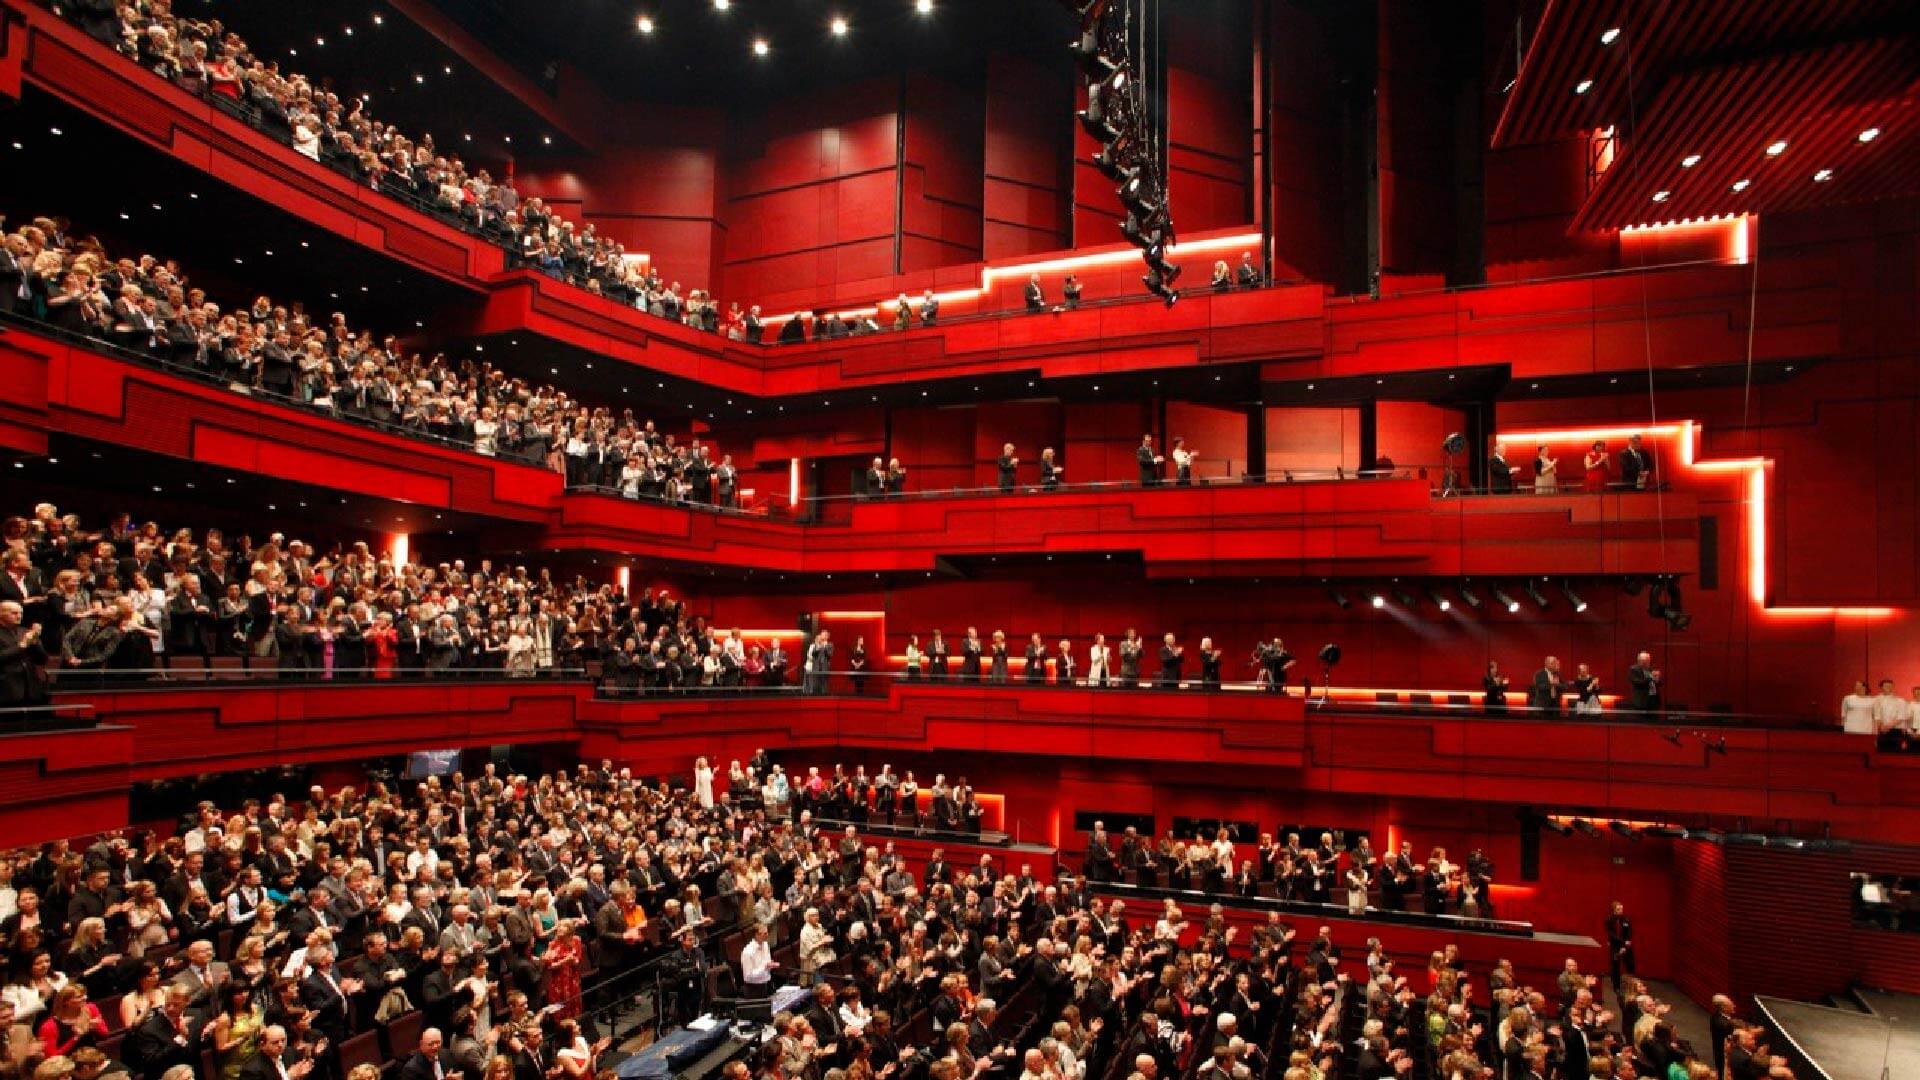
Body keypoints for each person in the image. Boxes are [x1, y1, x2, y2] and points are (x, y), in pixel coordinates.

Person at [0, 601, 50, 705]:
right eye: (14, 613)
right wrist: (22, 645)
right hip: (6, 689)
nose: (19, 616)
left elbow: (42, 660)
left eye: (21, 613)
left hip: (30, 689)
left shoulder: (25, 631)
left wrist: (35, 641)